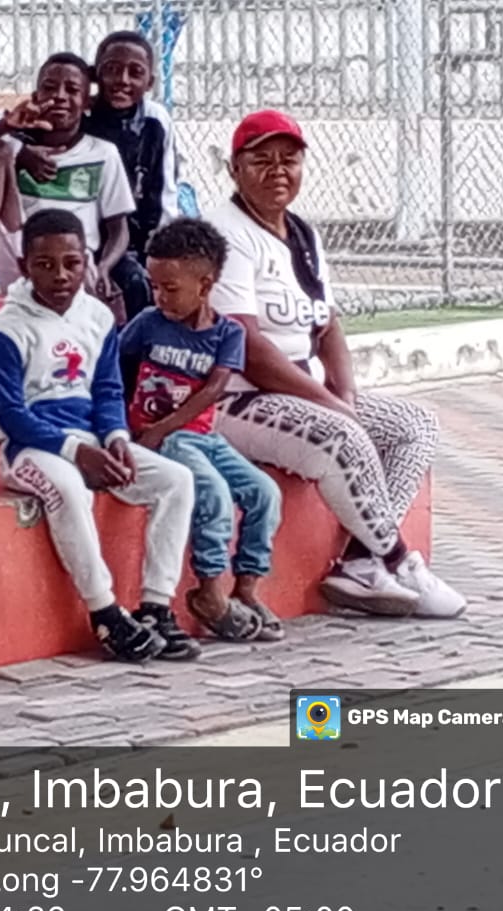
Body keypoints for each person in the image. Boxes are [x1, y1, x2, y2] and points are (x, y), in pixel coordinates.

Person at [208, 109, 466, 618]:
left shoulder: (302, 233)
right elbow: (246, 346)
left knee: (414, 425)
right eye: (261, 160)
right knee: (342, 434)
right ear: (235, 168)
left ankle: (361, 561)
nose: (277, 171)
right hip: (238, 399)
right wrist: (334, 408)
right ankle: (399, 559)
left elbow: (328, 326)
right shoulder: (226, 233)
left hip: (303, 392)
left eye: (289, 160)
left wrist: (344, 396)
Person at [0, 209, 201, 662]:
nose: (60, 275)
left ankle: (155, 608)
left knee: (176, 480)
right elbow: (11, 414)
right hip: (29, 448)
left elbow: (107, 390)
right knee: (67, 489)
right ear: (24, 267)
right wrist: (77, 452)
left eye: (72, 263)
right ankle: (105, 613)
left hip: (91, 439)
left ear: (87, 261)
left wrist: (116, 437)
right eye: (45, 265)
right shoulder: (5, 327)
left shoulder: (98, 316)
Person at [121, 219, 285, 643]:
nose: (159, 297)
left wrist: (161, 428)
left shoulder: (228, 334)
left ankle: (246, 589)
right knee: (212, 492)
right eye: (154, 286)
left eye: (170, 288)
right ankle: (209, 591)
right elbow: (117, 367)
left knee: (265, 492)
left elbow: (213, 389)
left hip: (202, 436)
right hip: (170, 442)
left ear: (205, 285)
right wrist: (128, 428)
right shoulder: (148, 323)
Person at [0, 52, 135, 310]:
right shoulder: (8, 135)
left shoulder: (103, 153)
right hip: (18, 248)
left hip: (69, 260)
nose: (60, 96)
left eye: (72, 90)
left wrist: (105, 268)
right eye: (50, 88)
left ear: (86, 103)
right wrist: (10, 132)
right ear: (35, 97)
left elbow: (119, 229)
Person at [83, 30, 179, 323]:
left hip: (138, 241)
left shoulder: (155, 120)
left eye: (135, 72)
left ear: (150, 82)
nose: (122, 80)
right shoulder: (80, 116)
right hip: (87, 238)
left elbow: (164, 194)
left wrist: (159, 251)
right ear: (95, 74)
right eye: (112, 69)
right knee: (130, 281)